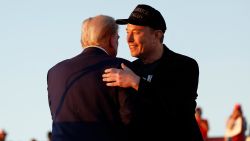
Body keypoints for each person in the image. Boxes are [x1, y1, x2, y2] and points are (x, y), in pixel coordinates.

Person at [102, 4, 203, 141]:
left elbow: (178, 110)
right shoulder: (128, 69)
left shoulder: (185, 66)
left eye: (136, 32)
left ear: (157, 35)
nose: (129, 39)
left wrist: (136, 82)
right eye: (127, 32)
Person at [47, 15, 134, 141]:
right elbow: (130, 117)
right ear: (111, 39)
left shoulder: (54, 72)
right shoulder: (121, 67)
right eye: (118, 38)